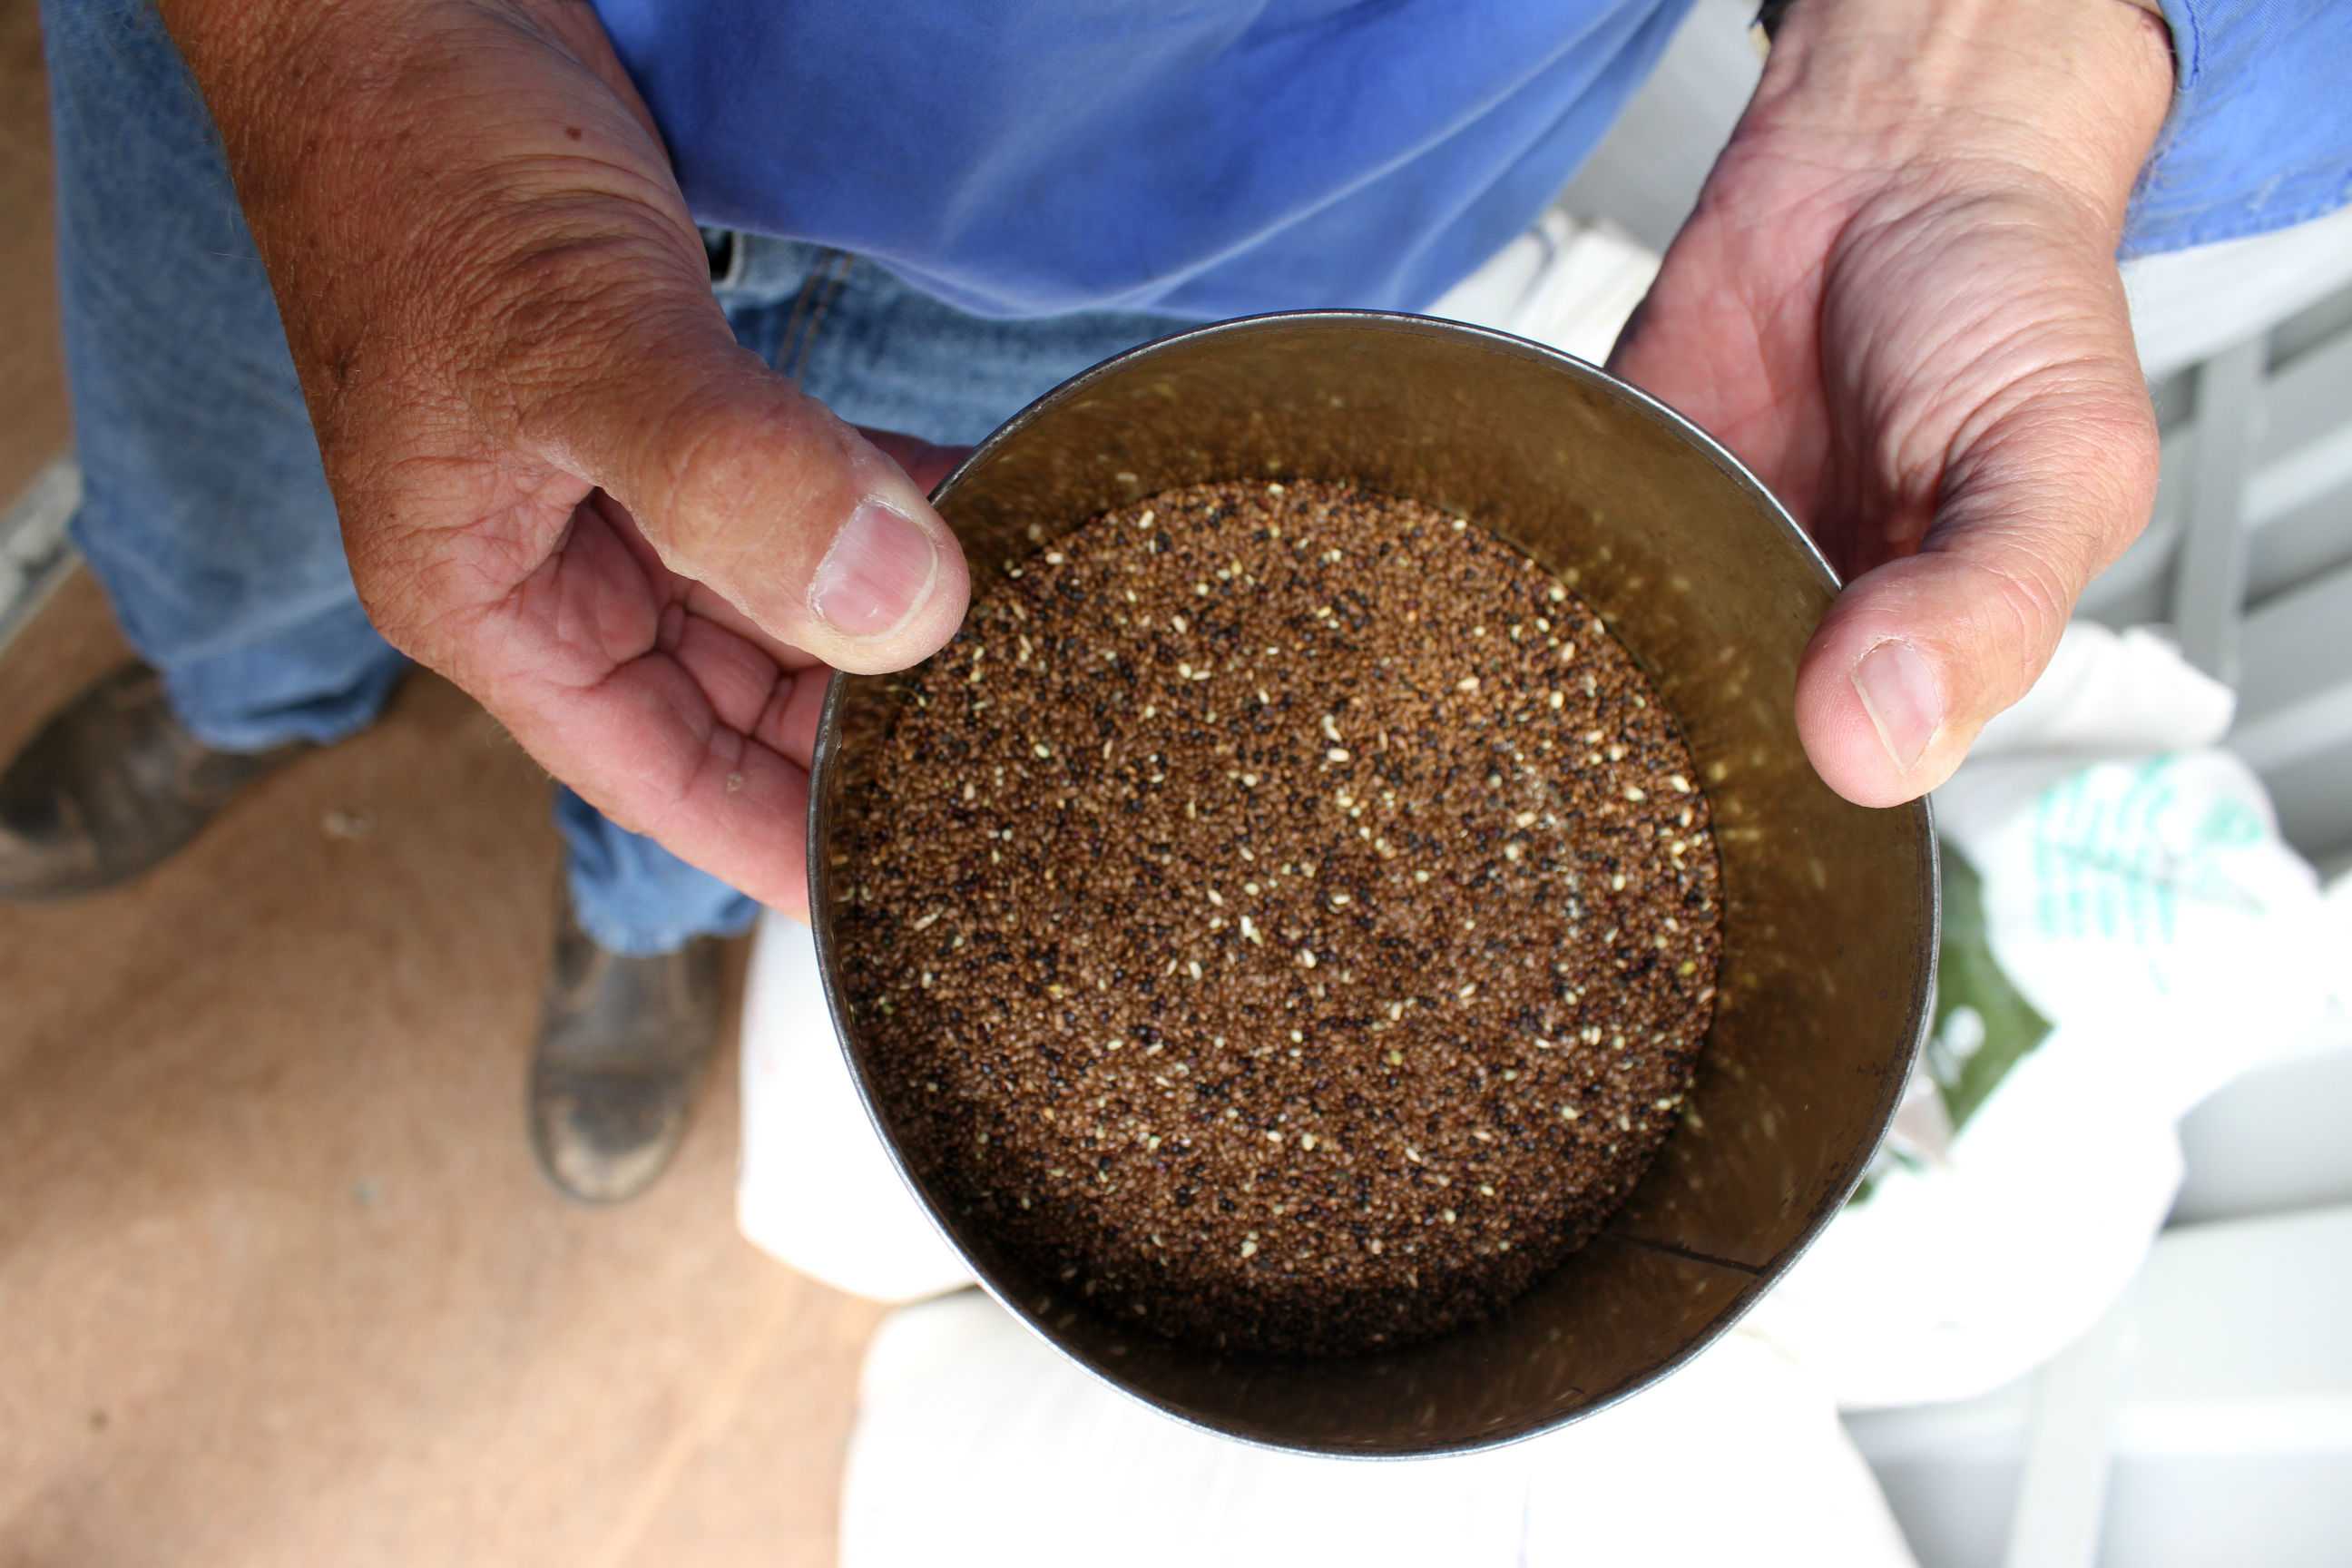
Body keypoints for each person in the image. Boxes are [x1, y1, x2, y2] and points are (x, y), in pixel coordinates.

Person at [5, 0, 2343, 1201]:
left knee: (771, 741)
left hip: (1226, 201)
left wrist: (2004, 43)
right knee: (260, 491)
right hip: (366, 68)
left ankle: (642, 931)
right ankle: (247, 684)